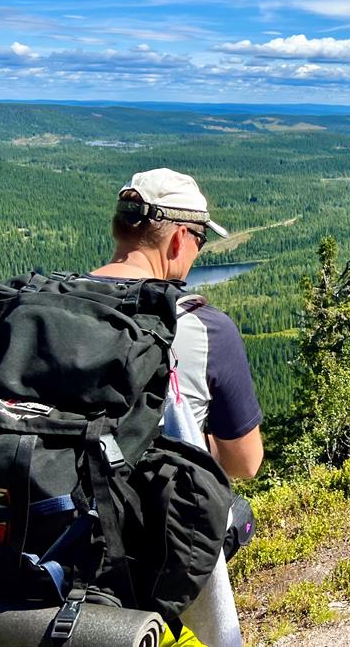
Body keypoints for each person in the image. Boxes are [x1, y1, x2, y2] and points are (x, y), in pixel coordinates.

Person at [92, 167, 264, 480]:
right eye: (201, 239)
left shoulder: (45, 304)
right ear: (179, 238)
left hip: (32, 513)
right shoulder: (206, 329)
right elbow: (245, 464)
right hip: (135, 522)